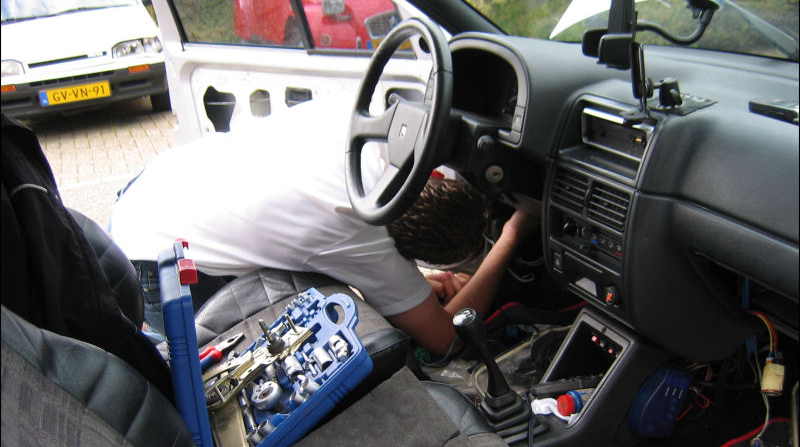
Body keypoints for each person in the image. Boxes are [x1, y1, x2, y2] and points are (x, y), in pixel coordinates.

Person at [110, 101, 538, 356]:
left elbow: (313, 233)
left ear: (435, 175)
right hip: (162, 262)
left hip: (152, 191)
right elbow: (447, 341)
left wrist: (413, 286)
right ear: (406, 255)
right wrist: (511, 236)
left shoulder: (368, 130)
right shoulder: (366, 239)